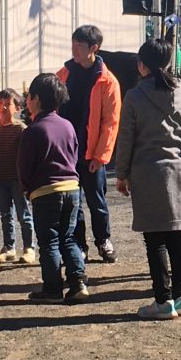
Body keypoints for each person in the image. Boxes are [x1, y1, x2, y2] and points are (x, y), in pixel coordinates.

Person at [112, 37, 181, 319]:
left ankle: (163, 300)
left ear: (141, 65)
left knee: (155, 239)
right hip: (179, 170)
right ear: (169, 62)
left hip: (147, 171)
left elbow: (126, 139)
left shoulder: (135, 96)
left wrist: (121, 173)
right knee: (176, 234)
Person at [18, 72, 89, 304]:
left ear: (37, 99)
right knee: (68, 238)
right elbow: (74, 155)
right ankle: (78, 282)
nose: (27, 100)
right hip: (72, 188)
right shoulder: (67, 126)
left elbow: (25, 166)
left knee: (49, 241)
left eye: (29, 96)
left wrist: (27, 189)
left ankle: (52, 288)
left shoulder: (33, 130)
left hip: (45, 191)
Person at [56, 24, 123, 263]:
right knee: (72, 202)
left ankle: (103, 240)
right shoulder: (63, 74)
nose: (74, 49)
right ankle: (79, 244)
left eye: (80, 45)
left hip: (92, 152)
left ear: (94, 48)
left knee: (97, 201)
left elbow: (110, 123)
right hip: (67, 152)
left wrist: (100, 156)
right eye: (73, 44)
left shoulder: (107, 81)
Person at [0, 88, 35, 264]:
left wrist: (27, 180)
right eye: (0, 104)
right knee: (5, 215)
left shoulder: (21, 129)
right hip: (0, 179)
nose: (4, 108)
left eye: (8, 104)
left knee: (24, 215)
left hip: (18, 180)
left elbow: (28, 157)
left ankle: (29, 248)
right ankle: (8, 247)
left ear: (17, 107)